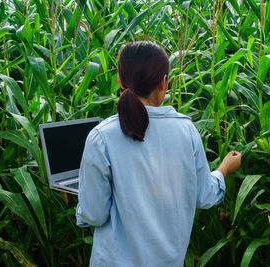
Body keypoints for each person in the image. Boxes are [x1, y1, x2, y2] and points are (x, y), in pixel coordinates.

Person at [76, 41, 242, 266]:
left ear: (119, 81)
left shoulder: (101, 137)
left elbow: (94, 214)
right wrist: (224, 169)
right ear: (164, 82)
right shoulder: (187, 130)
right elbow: (204, 196)